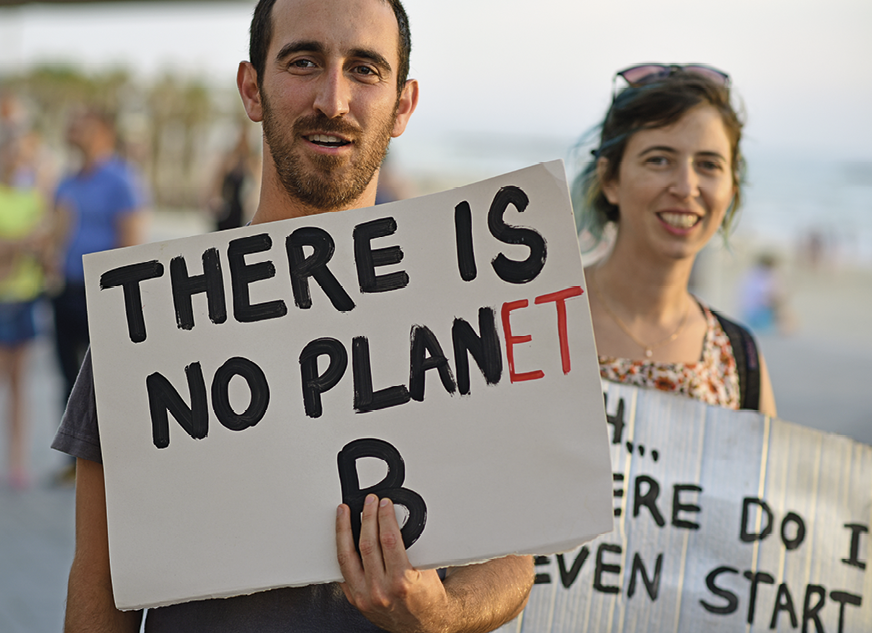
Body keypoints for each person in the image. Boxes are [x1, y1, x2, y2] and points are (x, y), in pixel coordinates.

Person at [52, 0, 534, 631]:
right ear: (252, 89)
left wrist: (442, 615)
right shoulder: (153, 317)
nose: (333, 99)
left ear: (403, 106)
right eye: (304, 61)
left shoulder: (467, 308)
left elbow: (513, 560)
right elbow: (99, 583)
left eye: (365, 69)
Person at [573, 64, 776, 415]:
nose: (685, 188)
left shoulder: (738, 358)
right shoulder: (533, 321)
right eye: (659, 159)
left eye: (709, 165)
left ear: (732, 188)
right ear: (610, 179)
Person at [50, 108, 148, 459]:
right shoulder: (67, 180)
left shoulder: (121, 179)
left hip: (101, 294)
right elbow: (54, 230)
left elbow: (131, 239)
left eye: (82, 124)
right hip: (66, 289)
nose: (73, 130)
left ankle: (108, 460)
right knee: (68, 376)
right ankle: (73, 461)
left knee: (105, 381)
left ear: (103, 132)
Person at [0, 136, 49, 490]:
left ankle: (17, 462)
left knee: (19, 386)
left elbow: (45, 242)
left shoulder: (32, 197)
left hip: (25, 297)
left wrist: (16, 245)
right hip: (3, 299)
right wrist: (22, 242)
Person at [208, 124, 258, 231]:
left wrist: (251, 203)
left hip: (239, 209)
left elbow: (257, 183)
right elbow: (218, 180)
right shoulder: (229, 160)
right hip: (226, 207)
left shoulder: (250, 161)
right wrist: (216, 198)